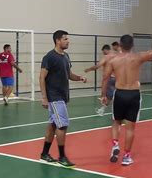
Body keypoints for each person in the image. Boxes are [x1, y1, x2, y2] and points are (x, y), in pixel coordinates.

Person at [101, 35, 152, 165]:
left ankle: (115, 145)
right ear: (132, 45)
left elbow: (105, 78)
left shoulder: (113, 60)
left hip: (119, 93)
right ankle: (126, 156)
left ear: (120, 45)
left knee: (116, 122)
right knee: (130, 128)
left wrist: (103, 95)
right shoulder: (138, 57)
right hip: (133, 94)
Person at [39, 30, 87, 168]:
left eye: (68, 39)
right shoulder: (49, 57)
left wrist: (79, 78)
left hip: (62, 96)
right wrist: (44, 97)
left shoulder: (65, 56)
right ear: (57, 40)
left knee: (53, 125)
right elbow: (42, 77)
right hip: (54, 97)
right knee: (62, 125)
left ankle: (44, 154)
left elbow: (69, 74)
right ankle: (62, 157)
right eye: (65, 39)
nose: (68, 41)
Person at [84, 44, 117, 116]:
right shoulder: (116, 56)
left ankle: (102, 110)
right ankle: (118, 111)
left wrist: (88, 69)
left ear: (105, 50)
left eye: (103, 51)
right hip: (117, 78)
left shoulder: (106, 57)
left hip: (110, 79)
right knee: (116, 95)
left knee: (108, 96)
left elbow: (97, 66)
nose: (103, 53)